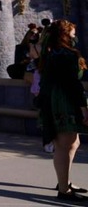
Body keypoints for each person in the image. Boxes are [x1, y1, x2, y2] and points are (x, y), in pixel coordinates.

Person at [37, 19, 88, 202]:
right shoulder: (65, 54)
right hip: (64, 101)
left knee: (72, 143)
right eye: (73, 34)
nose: (75, 38)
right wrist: (83, 108)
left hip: (55, 98)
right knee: (64, 145)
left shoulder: (50, 52)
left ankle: (64, 182)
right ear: (65, 35)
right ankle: (64, 190)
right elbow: (73, 84)